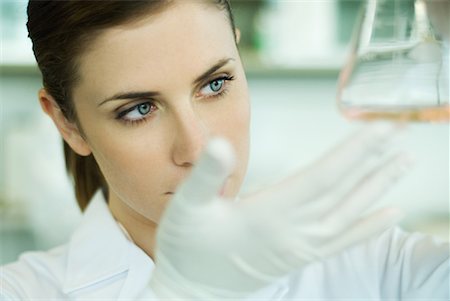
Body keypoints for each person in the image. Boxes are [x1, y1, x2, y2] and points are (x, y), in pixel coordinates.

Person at [0, 0, 448, 300]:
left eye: (215, 84)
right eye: (138, 109)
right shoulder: (22, 291)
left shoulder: (377, 265)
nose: (197, 149)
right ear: (66, 122)